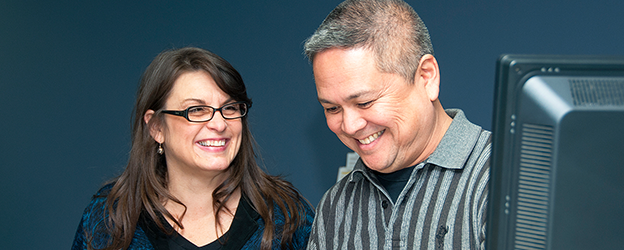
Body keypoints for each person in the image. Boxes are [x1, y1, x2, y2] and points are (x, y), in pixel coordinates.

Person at [72, 47, 314, 250]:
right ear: (156, 127)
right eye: (196, 110)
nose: (219, 124)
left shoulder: (286, 215)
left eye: (230, 108)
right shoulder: (110, 217)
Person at [303, 0, 491, 249]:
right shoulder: (334, 208)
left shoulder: (505, 179)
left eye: (365, 102)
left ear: (426, 77)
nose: (349, 126)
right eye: (332, 108)